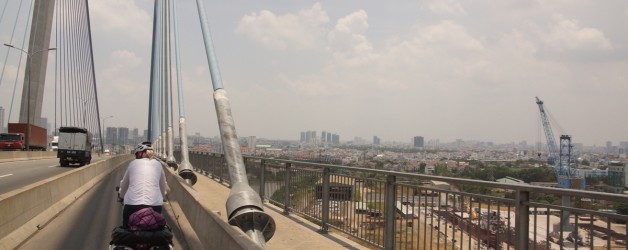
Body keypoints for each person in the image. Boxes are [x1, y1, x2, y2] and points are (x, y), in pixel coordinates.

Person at [118, 143, 168, 228]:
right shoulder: (158, 165)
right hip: (154, 206)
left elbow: (124, 185)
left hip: (132, 205)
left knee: (126, 229)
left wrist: (121, 196)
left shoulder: (132, 164)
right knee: (156, 231)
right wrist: (163, 196)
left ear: (139, 153)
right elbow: (163, 186)